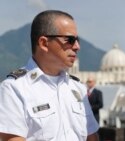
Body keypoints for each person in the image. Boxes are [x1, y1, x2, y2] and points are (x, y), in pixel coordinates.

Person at [0, 10, 99, 141]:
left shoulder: (77, 88)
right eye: (70, 40)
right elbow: (13, 138)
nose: (77, 46)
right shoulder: (14, 88)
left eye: (77, 40)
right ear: (44, 43)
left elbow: (91, 136)